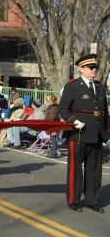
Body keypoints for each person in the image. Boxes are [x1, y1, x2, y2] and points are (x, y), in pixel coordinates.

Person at [59, 53, 109, 213]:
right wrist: (73, 121)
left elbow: (105, 113)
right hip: (78, 134)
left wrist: (106, 134)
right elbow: (63, 109)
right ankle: (74, 200)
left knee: (94, 170)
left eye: (95, 67)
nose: (94, 70)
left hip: (96, 134)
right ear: (81, 69)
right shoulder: (72, 86)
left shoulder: (100, 87)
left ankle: (92, 200)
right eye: (91, 67)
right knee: (75, 169)